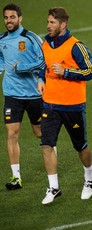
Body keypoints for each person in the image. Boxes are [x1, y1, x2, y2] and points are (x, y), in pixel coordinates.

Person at [37, 7, 92, 205]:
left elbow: (91, 71)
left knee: (80, 146)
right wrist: (40, 79)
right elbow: (42, 66)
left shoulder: (76, 46)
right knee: (46, 145)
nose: (48, 25)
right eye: (48, 22)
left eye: (52, 22)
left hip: (72, 107)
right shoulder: (45, 43)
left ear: (63, 25)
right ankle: (53, 187)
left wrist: (66, 71)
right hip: (50, 105)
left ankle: (89, 177)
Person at [0, 3, 45, 190]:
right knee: (12, 134)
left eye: (12, 17)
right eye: (6, 17)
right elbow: (2, 62)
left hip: (34, 94)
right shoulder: (1, 40)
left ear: (20, 18)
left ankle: (51, 161)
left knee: (40, 133)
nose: (8, 21)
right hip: (12, 94)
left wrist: (23, 68)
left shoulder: (31, 38)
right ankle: (16, 177)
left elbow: (44, 62)